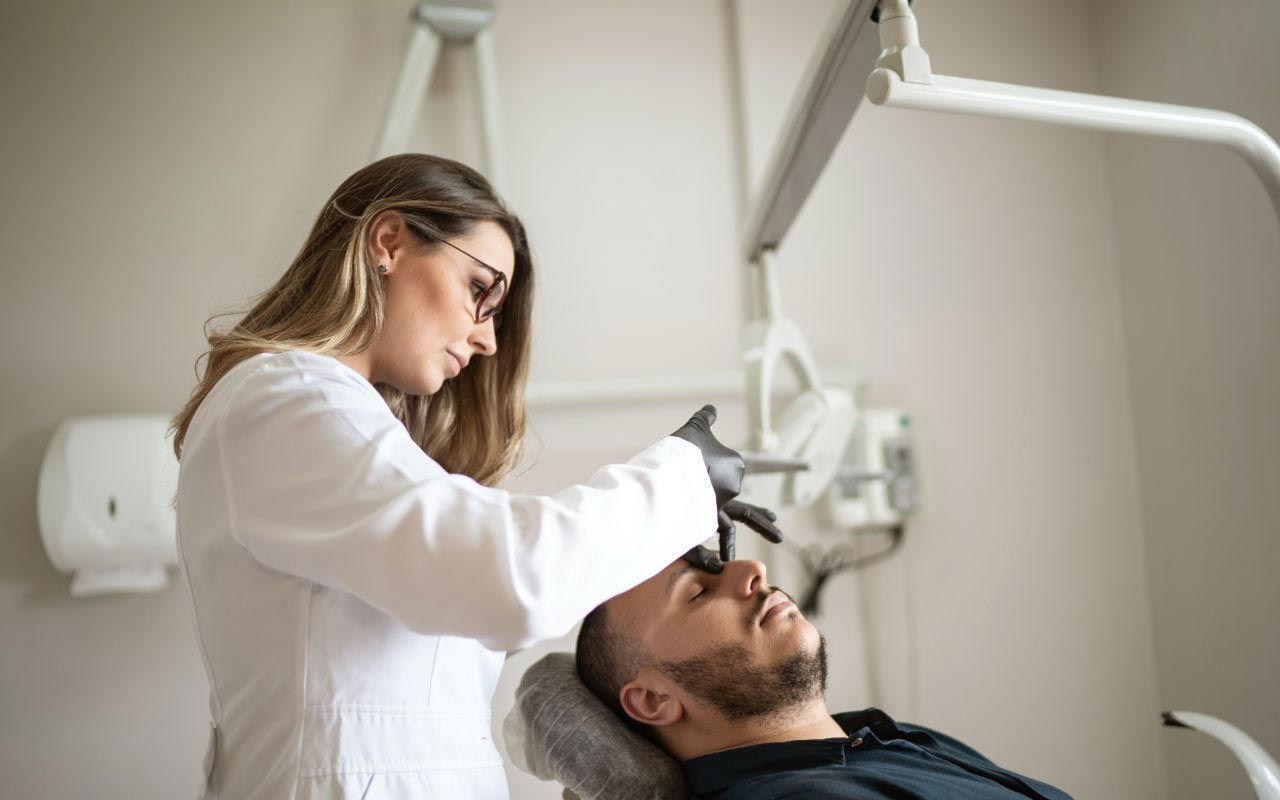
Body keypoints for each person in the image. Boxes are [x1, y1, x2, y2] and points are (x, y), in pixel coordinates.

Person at [169, 153, 781, 799]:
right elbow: (511, 579)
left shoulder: (333, 422)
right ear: (388, 242)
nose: (487, 340)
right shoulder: (287, 395)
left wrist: (655, 546)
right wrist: (682, 475)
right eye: (480, 290)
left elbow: (470, 614)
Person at [575, 558, 1075, 799]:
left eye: (720, 561)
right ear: (653, 701)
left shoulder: (884, 737)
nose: (753, 569)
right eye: (699, 592)